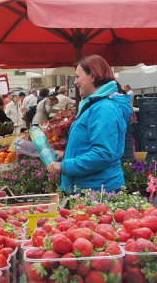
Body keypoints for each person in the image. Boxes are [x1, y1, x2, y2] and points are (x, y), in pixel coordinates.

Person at [46, 55, 132, 193]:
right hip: (88, 188)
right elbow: (89, 144)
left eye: (78, 76)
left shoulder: (104, 108)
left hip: (97, 191)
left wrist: (64, 167)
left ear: (92, 76)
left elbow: (102, 154)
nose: (75, 82)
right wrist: (67, 155)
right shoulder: (95, 105)